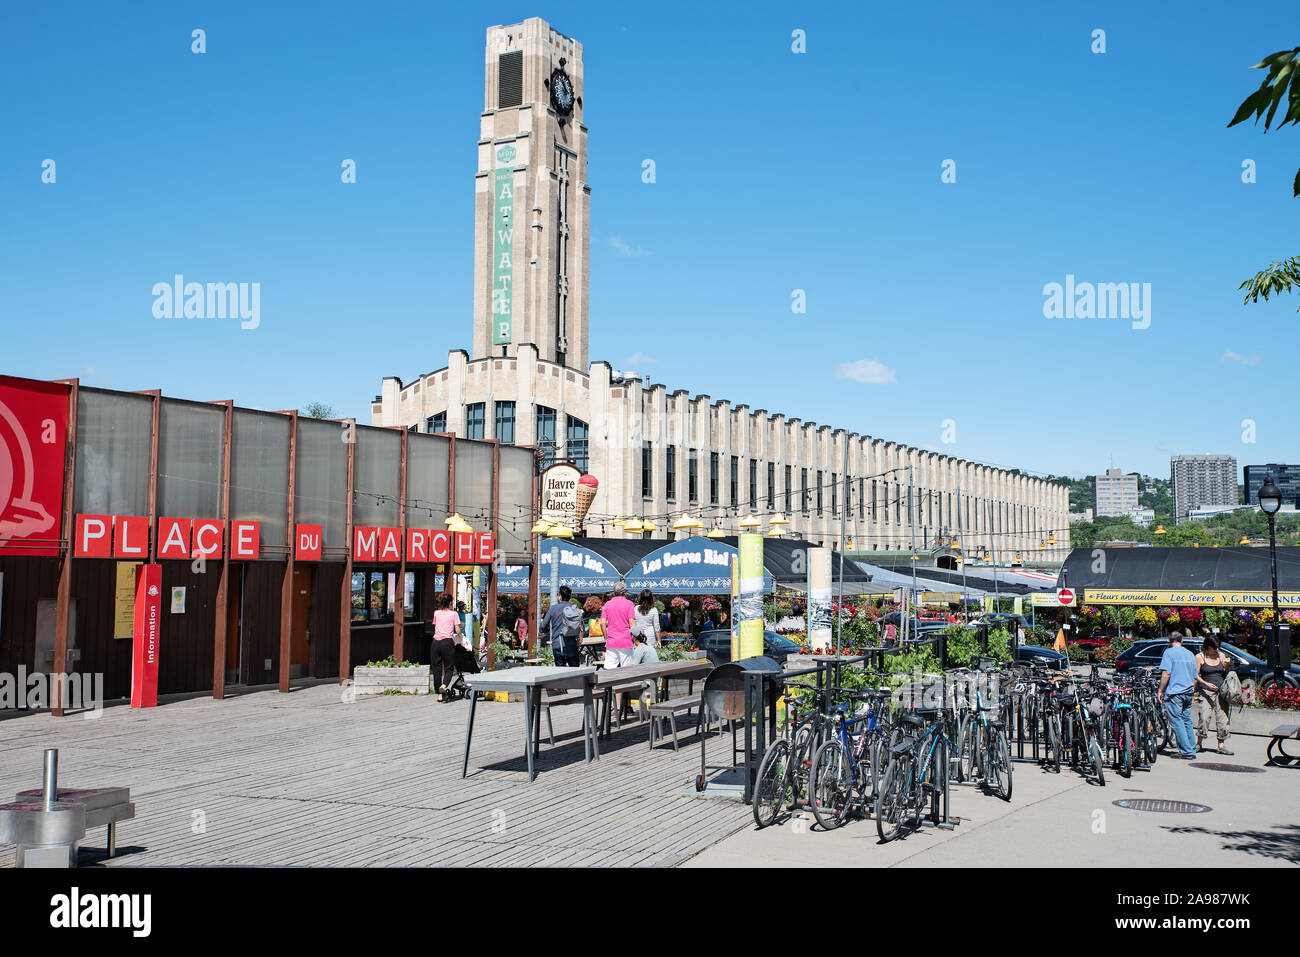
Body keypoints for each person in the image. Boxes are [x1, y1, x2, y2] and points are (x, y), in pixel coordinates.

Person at [1157, 631, 1199, 759]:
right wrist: (1192, 691)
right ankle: (1191, 748)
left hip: (1175, 692)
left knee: (1177, 721)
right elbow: (1195, 676)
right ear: (1182, 640)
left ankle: (1186, 751)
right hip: (1188, 691)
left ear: (1169, 641)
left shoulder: (1168, 653)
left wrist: (1160, 690)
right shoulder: (1190, 654)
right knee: (1186, 720)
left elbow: (1166, 674)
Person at [1195, 636, 1233, 755]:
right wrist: (1206, 684)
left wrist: (1227, 665)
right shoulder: (1199, 657)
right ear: (1207, 647)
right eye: (1214, 648)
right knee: (1204, 717)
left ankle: (1221, 745)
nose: (1216, 650)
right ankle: (1199, 743)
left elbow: (1225, 672)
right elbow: (1195, 675)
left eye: (1217, 647)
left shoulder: (1221, 655)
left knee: (1222, 718)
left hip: (1221, 691)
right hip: (1206, 691)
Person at [430, 593, 464, 703]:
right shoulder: (454, 614)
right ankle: (444, 686)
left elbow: (436, 626)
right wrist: (460, 636)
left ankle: (439, 695)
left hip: (435, 643)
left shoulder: (436, 613)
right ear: (450, 603)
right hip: (447, 643)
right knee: (449, 668)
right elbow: (458, 630)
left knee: (437, 668)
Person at [600, 583, 637, 668]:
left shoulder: (607, 604)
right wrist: (635, 640)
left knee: (609, 669)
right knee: (627, 669)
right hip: (625, 640)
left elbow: (602, 623)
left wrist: (606, 638)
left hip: (611, 641)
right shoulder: (629, 604)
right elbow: (632, 624)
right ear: (625, 592)